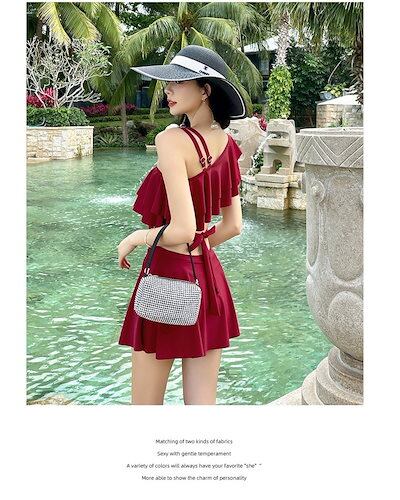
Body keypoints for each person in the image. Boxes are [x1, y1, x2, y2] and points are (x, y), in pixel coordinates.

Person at [117, 45, 246, 405]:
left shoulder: (171, 140)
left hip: (166, 274)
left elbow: (182, 230)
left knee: (145, 406)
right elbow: (233, 226)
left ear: (206, 90)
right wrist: (197, 247)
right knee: (201, 406)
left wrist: (136, 237)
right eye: (168, 83)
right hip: (209, 281)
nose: (168, 90)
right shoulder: (227, 144)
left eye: (178, 82)